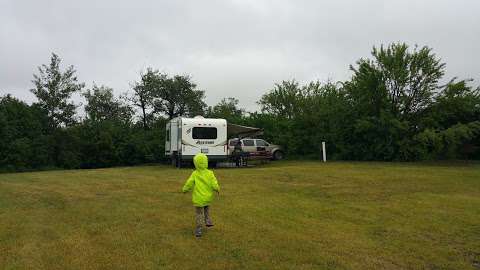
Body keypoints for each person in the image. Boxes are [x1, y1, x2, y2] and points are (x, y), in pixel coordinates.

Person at [182, 153, 220, 237]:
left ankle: (199, 229)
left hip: (198, 198)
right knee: (207, 209)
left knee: (199, 213)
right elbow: (214, 182)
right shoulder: (210, 173)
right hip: (208, 197)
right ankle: (208, 221)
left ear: (196, 163)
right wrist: (217, 188)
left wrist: (184, 189)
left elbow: (189, 183)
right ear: (206, 161)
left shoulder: (195, 173)